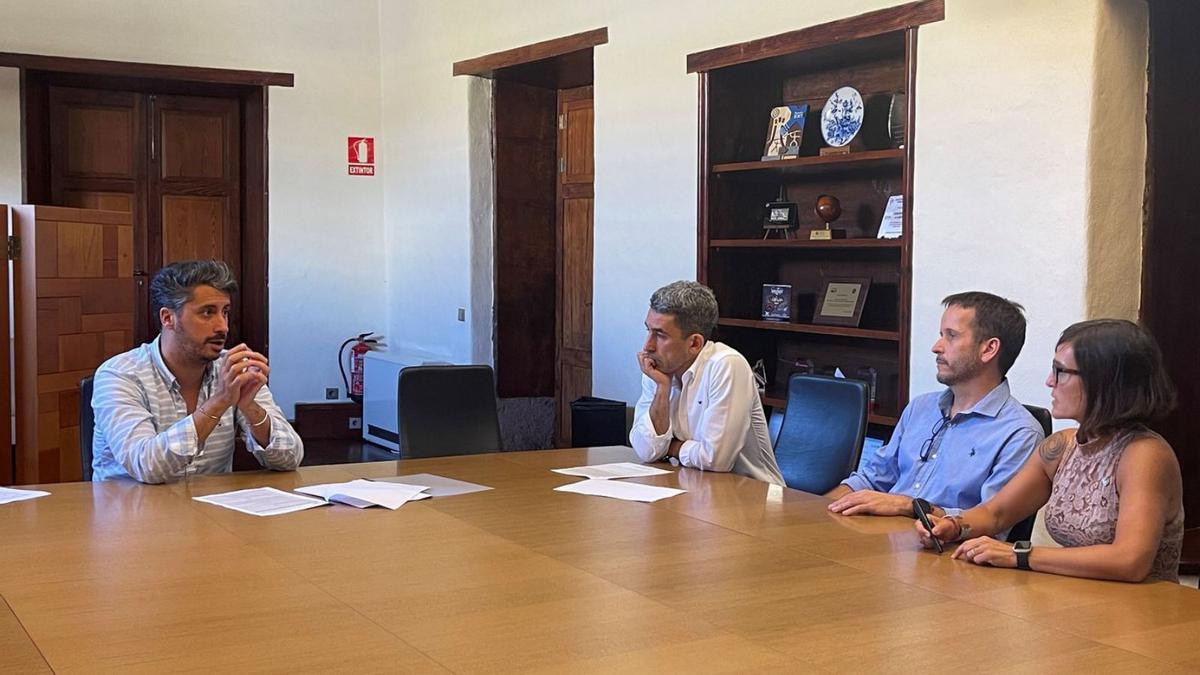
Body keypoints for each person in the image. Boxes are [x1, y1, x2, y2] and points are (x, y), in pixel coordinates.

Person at [917, 320, 1183, 583]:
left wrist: (1019, 555)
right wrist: (952, 526)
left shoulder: (1144, 454)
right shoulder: (1061, 446)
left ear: (1102, 381)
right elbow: (995, 513)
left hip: (1145, 613)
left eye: (1060, 371)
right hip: (1080, 599)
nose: (1049, 382)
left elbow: (1129, 561)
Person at [826, 292, 1043, 520]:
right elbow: (871, 479)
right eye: (941, 335)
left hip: (944, 551)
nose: (937, 347)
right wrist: (820, 509)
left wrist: (909, 506)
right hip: (881, 539)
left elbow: (989, 521)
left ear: (988, 349)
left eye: (951, 336)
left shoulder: (1020, 434)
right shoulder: (920, 407)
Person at [91, 260, 303, 483]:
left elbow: (291, 459)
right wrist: (219, 401)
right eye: (207, 313)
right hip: (132, 512)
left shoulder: (232, 369)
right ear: (168, 318)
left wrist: (250, 407)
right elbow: (146, 465)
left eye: (226, 312)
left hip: (211, 513)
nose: (223, 326)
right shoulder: (119, 375)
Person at [629, 280, 784, 485]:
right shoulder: (658, 371)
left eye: (660, 335)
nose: (647, 346)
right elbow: (646, 451)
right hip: (691, 487)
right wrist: (662, 389)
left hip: (754, 497)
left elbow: (716, 460)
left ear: (694, 343)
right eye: (648, 330)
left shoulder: (727, 365)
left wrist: (670, 447)